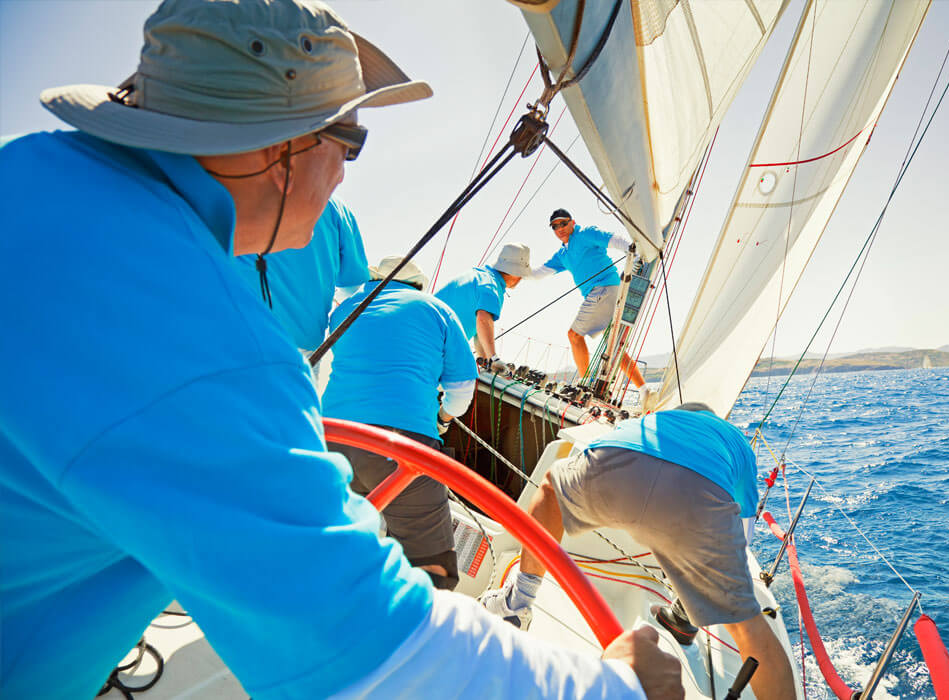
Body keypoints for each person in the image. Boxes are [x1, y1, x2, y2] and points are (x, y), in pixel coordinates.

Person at [0, 1, 680, 698]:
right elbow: (373, 657)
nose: (347, 177)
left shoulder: (27, 171)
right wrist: (620, 686)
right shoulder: (201, 342)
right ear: (283, 147)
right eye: (351, 141)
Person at [482, 403, 797, 700]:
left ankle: (518, 601)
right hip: (699, 495)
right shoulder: (736, 443)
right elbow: (743, 529)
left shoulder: (649, 421)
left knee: (550, 488)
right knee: (747, 628)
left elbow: (603, 452)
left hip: (621, 460)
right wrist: (720, 583)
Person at [322, 257, 477, 590]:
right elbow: (462, 390)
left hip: (329, 437)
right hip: (401, 448)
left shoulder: (347, 307)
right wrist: (443, 418)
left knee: (323, 537)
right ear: (417, 284)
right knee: (432, 569)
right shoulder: (438, 310)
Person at [234, 197, 370, 381]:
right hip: (302, 347)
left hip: (238, 336)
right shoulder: (336, 210)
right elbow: (355, 288)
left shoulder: (241, 191)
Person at [532, 208, 651, 407]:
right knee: (612, 348)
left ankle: (584, 384)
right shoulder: (562, 254)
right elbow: (538, 273)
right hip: (602, 294)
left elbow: (615, 240)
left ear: (572, 222)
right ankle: (644, 390)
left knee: (574, 335)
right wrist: (515, 272)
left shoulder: (585, 233)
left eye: (563, 223)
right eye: (555, 226)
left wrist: (635, 256)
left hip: (603, 290)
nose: (559, 228)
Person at [435, 242, 531, 372]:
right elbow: (483, 319)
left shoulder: (480, 276)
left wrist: (486, 362)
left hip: (421, 337)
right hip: (430, 344)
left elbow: (480, 331)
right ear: (515, 274)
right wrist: (494, 358)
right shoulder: (491, 286)